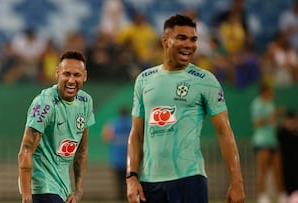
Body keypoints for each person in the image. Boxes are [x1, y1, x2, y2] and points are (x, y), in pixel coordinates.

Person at [126, 14, 245, 203]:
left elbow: (224, 132)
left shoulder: (205, 80)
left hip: (189, 179)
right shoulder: (144, 79)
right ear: (165, 41)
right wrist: (132, 176)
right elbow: (136, 133)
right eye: (182, 38)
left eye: (193, 39)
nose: (189, 44)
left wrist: (237, 181)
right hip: (149, 183)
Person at [18, 50, 95, 203]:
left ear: (84, 76)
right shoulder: (45, 104)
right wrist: (27, 197)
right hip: (41, 188)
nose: (71, 80)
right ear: (57, 73)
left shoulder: (86, 102)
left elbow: (81, 150)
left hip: (63, 190)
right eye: (67, 74)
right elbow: (25, 150)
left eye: (76, 75)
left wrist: (78, 190)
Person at [250, 83, 286, 203]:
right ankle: (262, 196)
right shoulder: (257, 104)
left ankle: (282, 195)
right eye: (270, 91)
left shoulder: (271, 104)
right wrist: (268, 119)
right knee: (263, 171)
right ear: (264, 92)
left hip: (273, 141)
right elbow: (257, 123)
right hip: (262, 141)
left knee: (278, 170)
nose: (272, 93)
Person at [101, 105, 132, 200]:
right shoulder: (132, 123)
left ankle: (121, 197)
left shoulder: (113, 124)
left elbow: (105, 136)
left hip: (117, 158)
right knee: (130, 180)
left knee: (119, 181)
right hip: (131, 158)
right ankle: (129, 196)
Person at [277, 109, 298, 202]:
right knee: (286, 177)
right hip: (285, 162)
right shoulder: (283, 133)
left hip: (296, 162)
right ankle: (288, 194)